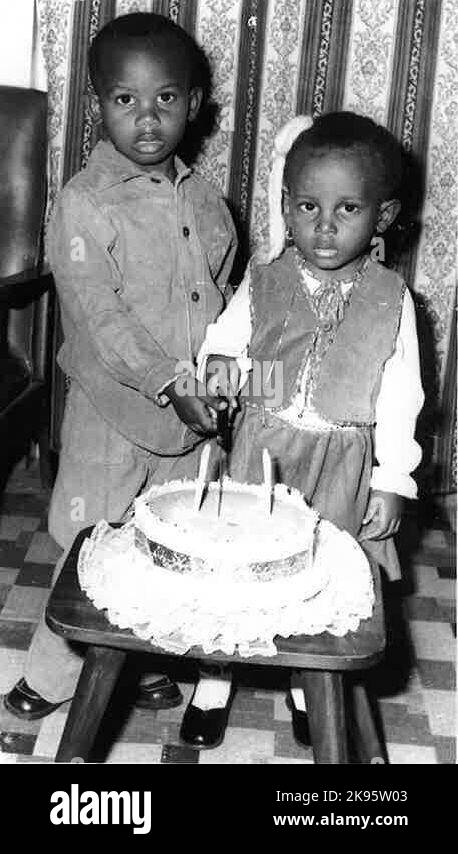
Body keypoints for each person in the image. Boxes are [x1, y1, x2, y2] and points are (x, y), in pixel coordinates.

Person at [4, 13, 236, 723]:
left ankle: (138, 665)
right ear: (98, 104)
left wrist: (221, 367)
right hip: (114, 414)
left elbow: (223, 292)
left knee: (168, 542)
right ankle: (52, 674)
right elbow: (102, 321)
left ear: (194, 105)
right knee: (92, 546)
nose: (145, 119)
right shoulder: (84, 202)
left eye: (165, 99)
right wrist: (169, 378)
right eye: (123, 101)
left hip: (192, 419)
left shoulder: (204, 197)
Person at [181, 111, 425, 749]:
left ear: (385, 216)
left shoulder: (392, 298)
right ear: (287, 208)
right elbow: (224, 343)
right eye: (309, 206)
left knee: (316, 573)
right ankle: (215, 674)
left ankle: (302, 675)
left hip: (341, 460)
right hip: (263, 450)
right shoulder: (266, 279)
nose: (324, 225)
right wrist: (221, 367)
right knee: (235, 565)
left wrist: (392, 477)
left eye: (348, 208)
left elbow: (402, 394)